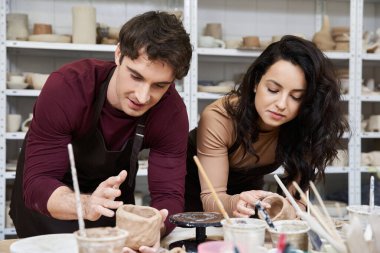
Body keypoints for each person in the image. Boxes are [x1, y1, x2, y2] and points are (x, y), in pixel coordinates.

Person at [9, 10, 192, 248]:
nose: (143, 96)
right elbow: (38, 183)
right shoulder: (68, 87)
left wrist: (151, 228)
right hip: (49, 211)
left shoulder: (171, 112)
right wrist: (86, 204)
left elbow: (169, 196)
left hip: (110, 214)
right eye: (135, 76)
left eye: (160, 85)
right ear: (118, 54)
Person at [185, 35, 348, 218]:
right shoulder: (220, 118)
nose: (281, 104)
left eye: (296, 97)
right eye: (273, 90)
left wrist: (294, 209)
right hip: (195, 192)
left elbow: (297, 198)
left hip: (249, 195)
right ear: (256, 83)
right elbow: (211, 200)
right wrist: (239, 203)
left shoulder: (304, 122)